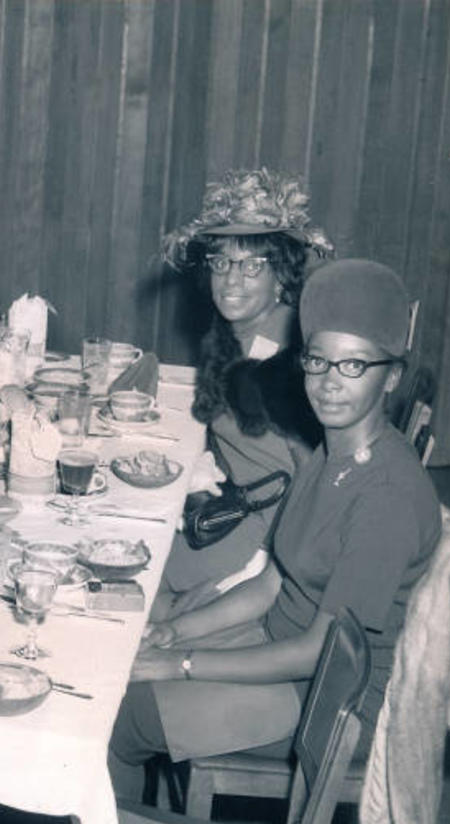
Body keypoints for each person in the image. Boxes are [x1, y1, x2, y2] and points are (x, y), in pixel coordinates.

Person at [110, 259, 441, 785]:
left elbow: (319, 652)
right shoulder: (326, 454)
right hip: (278, 642)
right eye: (318, 361)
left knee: (125, 717)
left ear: (392, 377)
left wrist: (182, 663)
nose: (329, 383)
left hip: (332, 701)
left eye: (354, 366)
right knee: (118, 667)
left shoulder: (388, 497)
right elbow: (271, 585)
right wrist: (175, 633)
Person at [155, 169, 333, 613]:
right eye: (222, 262)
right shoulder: (237, 332)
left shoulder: (286, 356)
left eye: (253, 265)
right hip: (229, 505)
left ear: (281, 277)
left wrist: (262, 566)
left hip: (261, 531)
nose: (231, 279)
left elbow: (316, 473)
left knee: (133, 581)